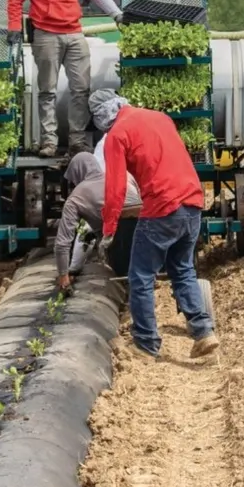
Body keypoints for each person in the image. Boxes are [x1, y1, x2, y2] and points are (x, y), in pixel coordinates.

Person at [91, 89, 217, 359]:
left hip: (161, 206)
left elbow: (115, 188)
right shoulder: (160, 117)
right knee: (182, 269)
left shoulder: (117, 135)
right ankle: (204, 332)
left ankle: (146, 343)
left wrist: (109, 229)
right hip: (192, 201)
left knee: (141, 275)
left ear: (101, 115)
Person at [7, 0, 122, 157]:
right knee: (47, 90)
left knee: (81, 89)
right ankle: (49, 142)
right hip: (46, 34)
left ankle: (77, 141)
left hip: (74, 33)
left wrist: (116, 14)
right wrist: (14, 27)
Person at [55, 150, 141, 286]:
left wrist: (64, 275)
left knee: (122, 273)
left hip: (119, 244)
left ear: (76, 174)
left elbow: (62, 243)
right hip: (147, 234)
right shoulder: (123, 175)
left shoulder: (76, 197)